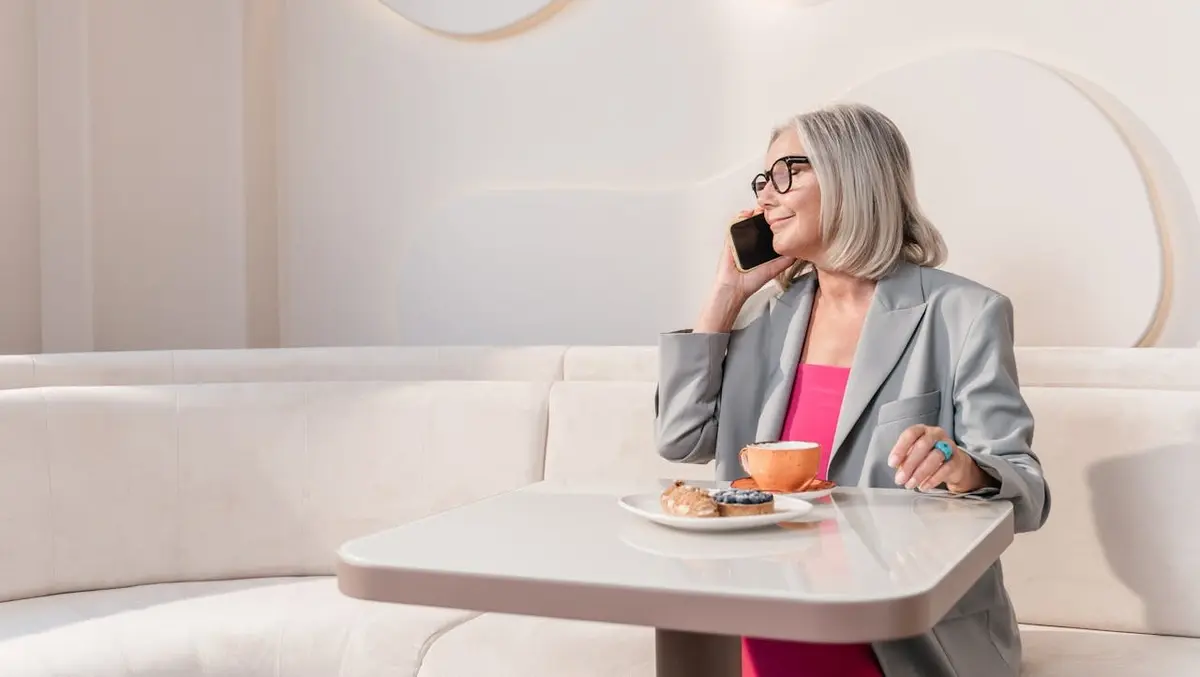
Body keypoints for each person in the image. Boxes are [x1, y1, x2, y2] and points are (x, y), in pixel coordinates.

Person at [654, 102, 1051, 677]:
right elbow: (680, 439)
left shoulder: (964, 313)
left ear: (850, 177)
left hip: (896, 632)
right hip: (763, 604)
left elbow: (1028, 489)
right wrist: (724, 294)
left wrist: (960, 466)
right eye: (763, 180)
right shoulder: (766, 318)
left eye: (787, 172)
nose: (765, 196)